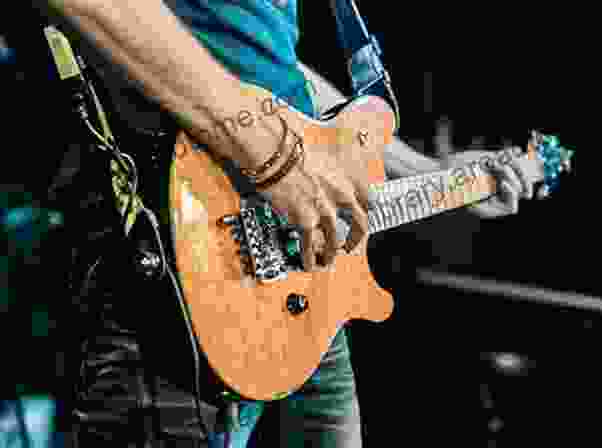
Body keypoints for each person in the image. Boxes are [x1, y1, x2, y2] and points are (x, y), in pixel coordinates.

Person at [29, 0, 537, 446]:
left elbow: (261, 68)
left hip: (299, 289)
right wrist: (271, 156)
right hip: (174, 271)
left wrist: (428, 172)